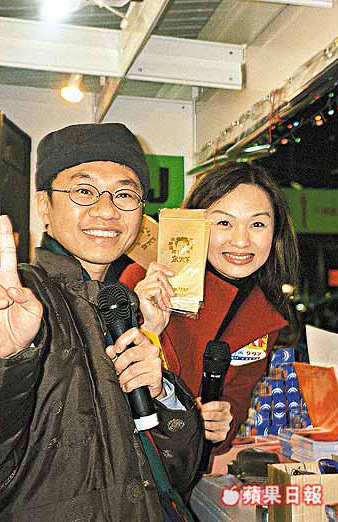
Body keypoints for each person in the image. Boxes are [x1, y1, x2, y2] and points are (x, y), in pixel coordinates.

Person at [0, 123, 203, 522]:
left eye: (125, 194)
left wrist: (162, 393)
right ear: (44, 206)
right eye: (84, 191)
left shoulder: (123, 306)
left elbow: (177, 473)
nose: (107, 210)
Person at [120, 161, 299, 462]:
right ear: (194, 225)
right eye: (224, 223)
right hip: (128, 465)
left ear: (275, 232)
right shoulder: (143, 282)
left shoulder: (264, 318)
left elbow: (234, 402)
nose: (241, 241)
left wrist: (221, 421)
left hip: (182, 473)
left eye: (257, 224)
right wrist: (146, 326)